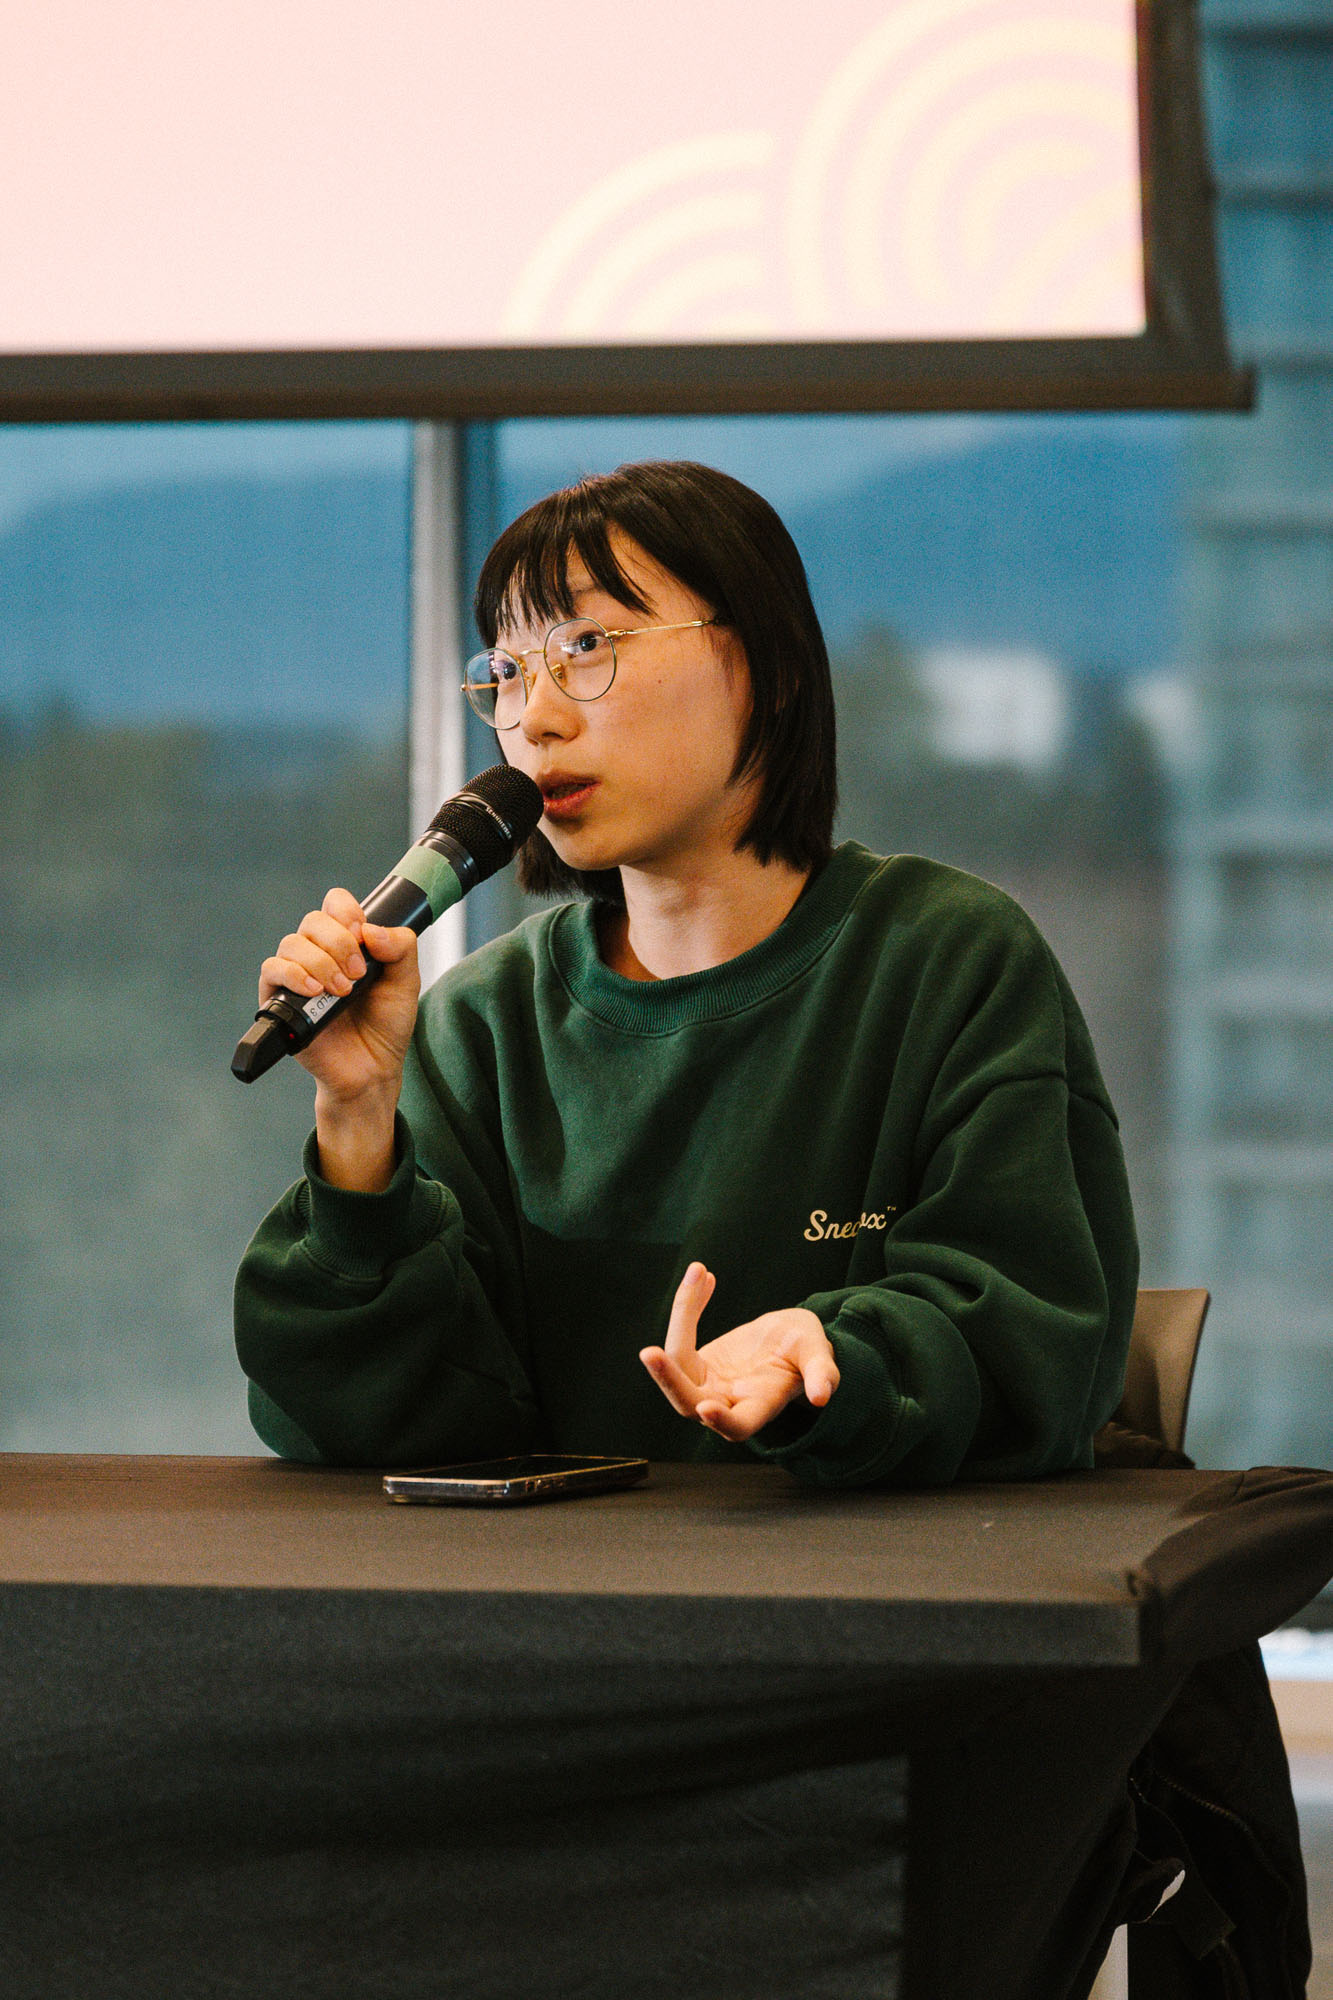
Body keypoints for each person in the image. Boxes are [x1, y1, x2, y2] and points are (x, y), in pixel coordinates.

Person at [234, 459, 1137, 1484]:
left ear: (769, 667)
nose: (534, 718)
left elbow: (1038, 1347)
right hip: (561, 1589)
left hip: (874, 1580)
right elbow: (371, 1421)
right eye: (508, 670)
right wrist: (357, 1123)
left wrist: (833, 1358)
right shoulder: (481, 1021)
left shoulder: (946, 961)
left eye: (587, 646)